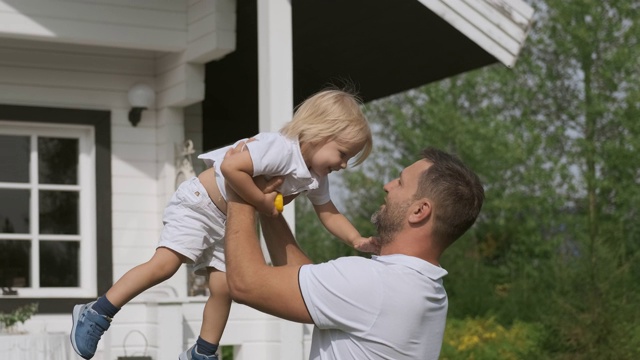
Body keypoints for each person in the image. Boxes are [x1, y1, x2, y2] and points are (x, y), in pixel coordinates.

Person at [69, 88, 375, 360]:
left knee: (224, 286)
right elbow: (231, 167)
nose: (344, 165)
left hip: (227, 220)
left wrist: (355, 239)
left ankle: (202, 351)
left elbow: (328, 211)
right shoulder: (279, 148)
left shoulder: (315, 175)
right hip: (200, 204)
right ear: (320, 133)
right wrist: (261, 202)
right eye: (343, 153)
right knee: (165, 264)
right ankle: (97, 312)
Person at [224, 147, 485, 360]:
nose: (387, 186)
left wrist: (240, 186)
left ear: (419, 211)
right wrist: (268, 207)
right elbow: (304, 282)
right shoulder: (428, 289)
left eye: (401, 183)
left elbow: (245, 284)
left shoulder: (376, 285)